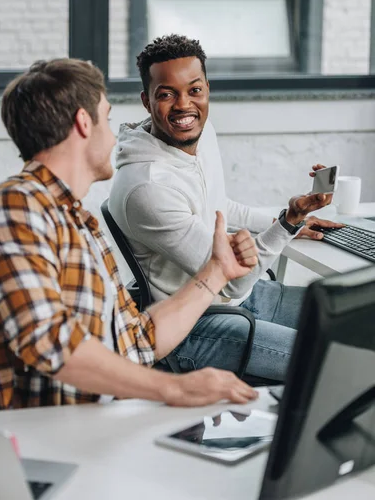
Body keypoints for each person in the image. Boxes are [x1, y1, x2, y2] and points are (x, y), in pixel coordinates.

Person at [0, 58, 259, 410]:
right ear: (83, 123)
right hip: (61, 441)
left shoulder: (77, 222)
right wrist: (174, 389)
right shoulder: (16, 207)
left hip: (112, 423)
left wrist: (215, 272)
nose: (113, 137)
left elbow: (139, 340)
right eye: (106, 119)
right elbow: (50, 342)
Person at [109, 34, 343, 382]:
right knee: (334, 365)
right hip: (195, 326)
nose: (184, 105)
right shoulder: (147, 187)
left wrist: (290, 219)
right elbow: (229, 280)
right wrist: (286, 224)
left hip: (241, 298)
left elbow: (218, 206)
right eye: (166, 93)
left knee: (355, 325)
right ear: (146, 101)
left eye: (194, 90)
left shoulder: (202, 136)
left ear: (207, 89)